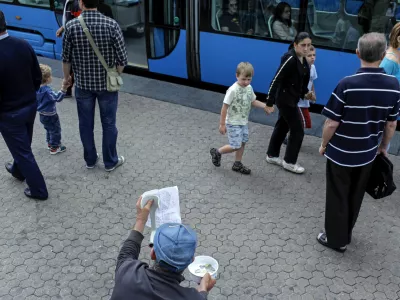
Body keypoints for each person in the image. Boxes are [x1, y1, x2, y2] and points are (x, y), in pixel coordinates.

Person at [317, 33, 400, 252]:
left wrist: (324, 144)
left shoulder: (347, 84)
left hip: (340, 154)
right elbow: (391, 125)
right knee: (355, 195)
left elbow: (331, 123)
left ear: (357, 53)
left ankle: (336, 240)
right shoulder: (393, 85)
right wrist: (382, 148)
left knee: (337, 196)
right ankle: (347, 233)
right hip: (367, 154)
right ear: (383, 55)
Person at [62, 0, 128, 171]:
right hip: (107, 86)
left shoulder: (71, 26)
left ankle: (90, 160)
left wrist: (66, 78)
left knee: (85, 124)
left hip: (83, 85)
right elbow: (122, 59)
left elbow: (66, 58)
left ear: (81, 3)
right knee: (109, 124)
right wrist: (115, 74)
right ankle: (110, 161)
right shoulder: (111, 25)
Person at [110, 196, 216, 300]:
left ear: (153, 253)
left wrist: (140, 220)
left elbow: (128, 250)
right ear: (191, 260)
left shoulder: (128, 272)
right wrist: (203, 290)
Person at [0, 10, 48, 200]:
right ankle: (18, 170)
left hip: (8, 113)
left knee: (23, 151)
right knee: (23, 143)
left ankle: (39, 190)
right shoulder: (23, 44)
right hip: (29, 105)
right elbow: (37, 75)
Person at [210, 62, 270, 175]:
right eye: (243, 79)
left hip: (243, 122)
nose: (246, 82)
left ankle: (237, 164)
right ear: (237, 76)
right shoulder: (232, 90)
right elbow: (224, 107)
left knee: (242, 142)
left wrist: (265, 106)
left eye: (249, 79)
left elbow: (253, 101)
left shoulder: (249, 88)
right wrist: (222, 124)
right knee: (235, 145)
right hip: (233, 122)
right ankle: (217, 152)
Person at [265, 32, 313, 174]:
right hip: (285, 100)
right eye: (303, 45)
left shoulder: (304, 60)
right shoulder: (290, 59)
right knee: (298, 130)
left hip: (293, 98)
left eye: (309, 45)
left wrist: (306, 93)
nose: (306, 48)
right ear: (295, 45)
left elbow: (300, 83)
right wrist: (269, 102)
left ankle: (272, 155)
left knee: (282, 126)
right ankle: (289, 162)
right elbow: (276, 79)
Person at [283, 45, 317, 145]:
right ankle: (293, 138)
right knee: (301, 121)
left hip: (305, 101)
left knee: (301, 121)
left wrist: (313, 94)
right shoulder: (301, 68)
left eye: (314, 55)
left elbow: (311, 82)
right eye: (309, 55)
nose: (312, 57)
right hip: (297, 101)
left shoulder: (313, 68)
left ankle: (290, 136)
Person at [37, 64, 68, 155]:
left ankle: (50, 143)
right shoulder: (47, 90)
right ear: (47, 79)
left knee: (48, 129)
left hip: (42, 114)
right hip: (51, 115)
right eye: (50, 75)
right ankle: (55, 147)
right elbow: (57, 98)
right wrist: (63, 89)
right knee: (55, 130)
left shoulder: (36, 88)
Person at [56, 0, 81, 98]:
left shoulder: (74, 3)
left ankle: (68, 89)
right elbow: (69, 19)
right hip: (70, 35)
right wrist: (62, 28)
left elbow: (77, 20)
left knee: (71, 64)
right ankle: (68, 88)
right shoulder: (69, 2)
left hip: (75, 38)